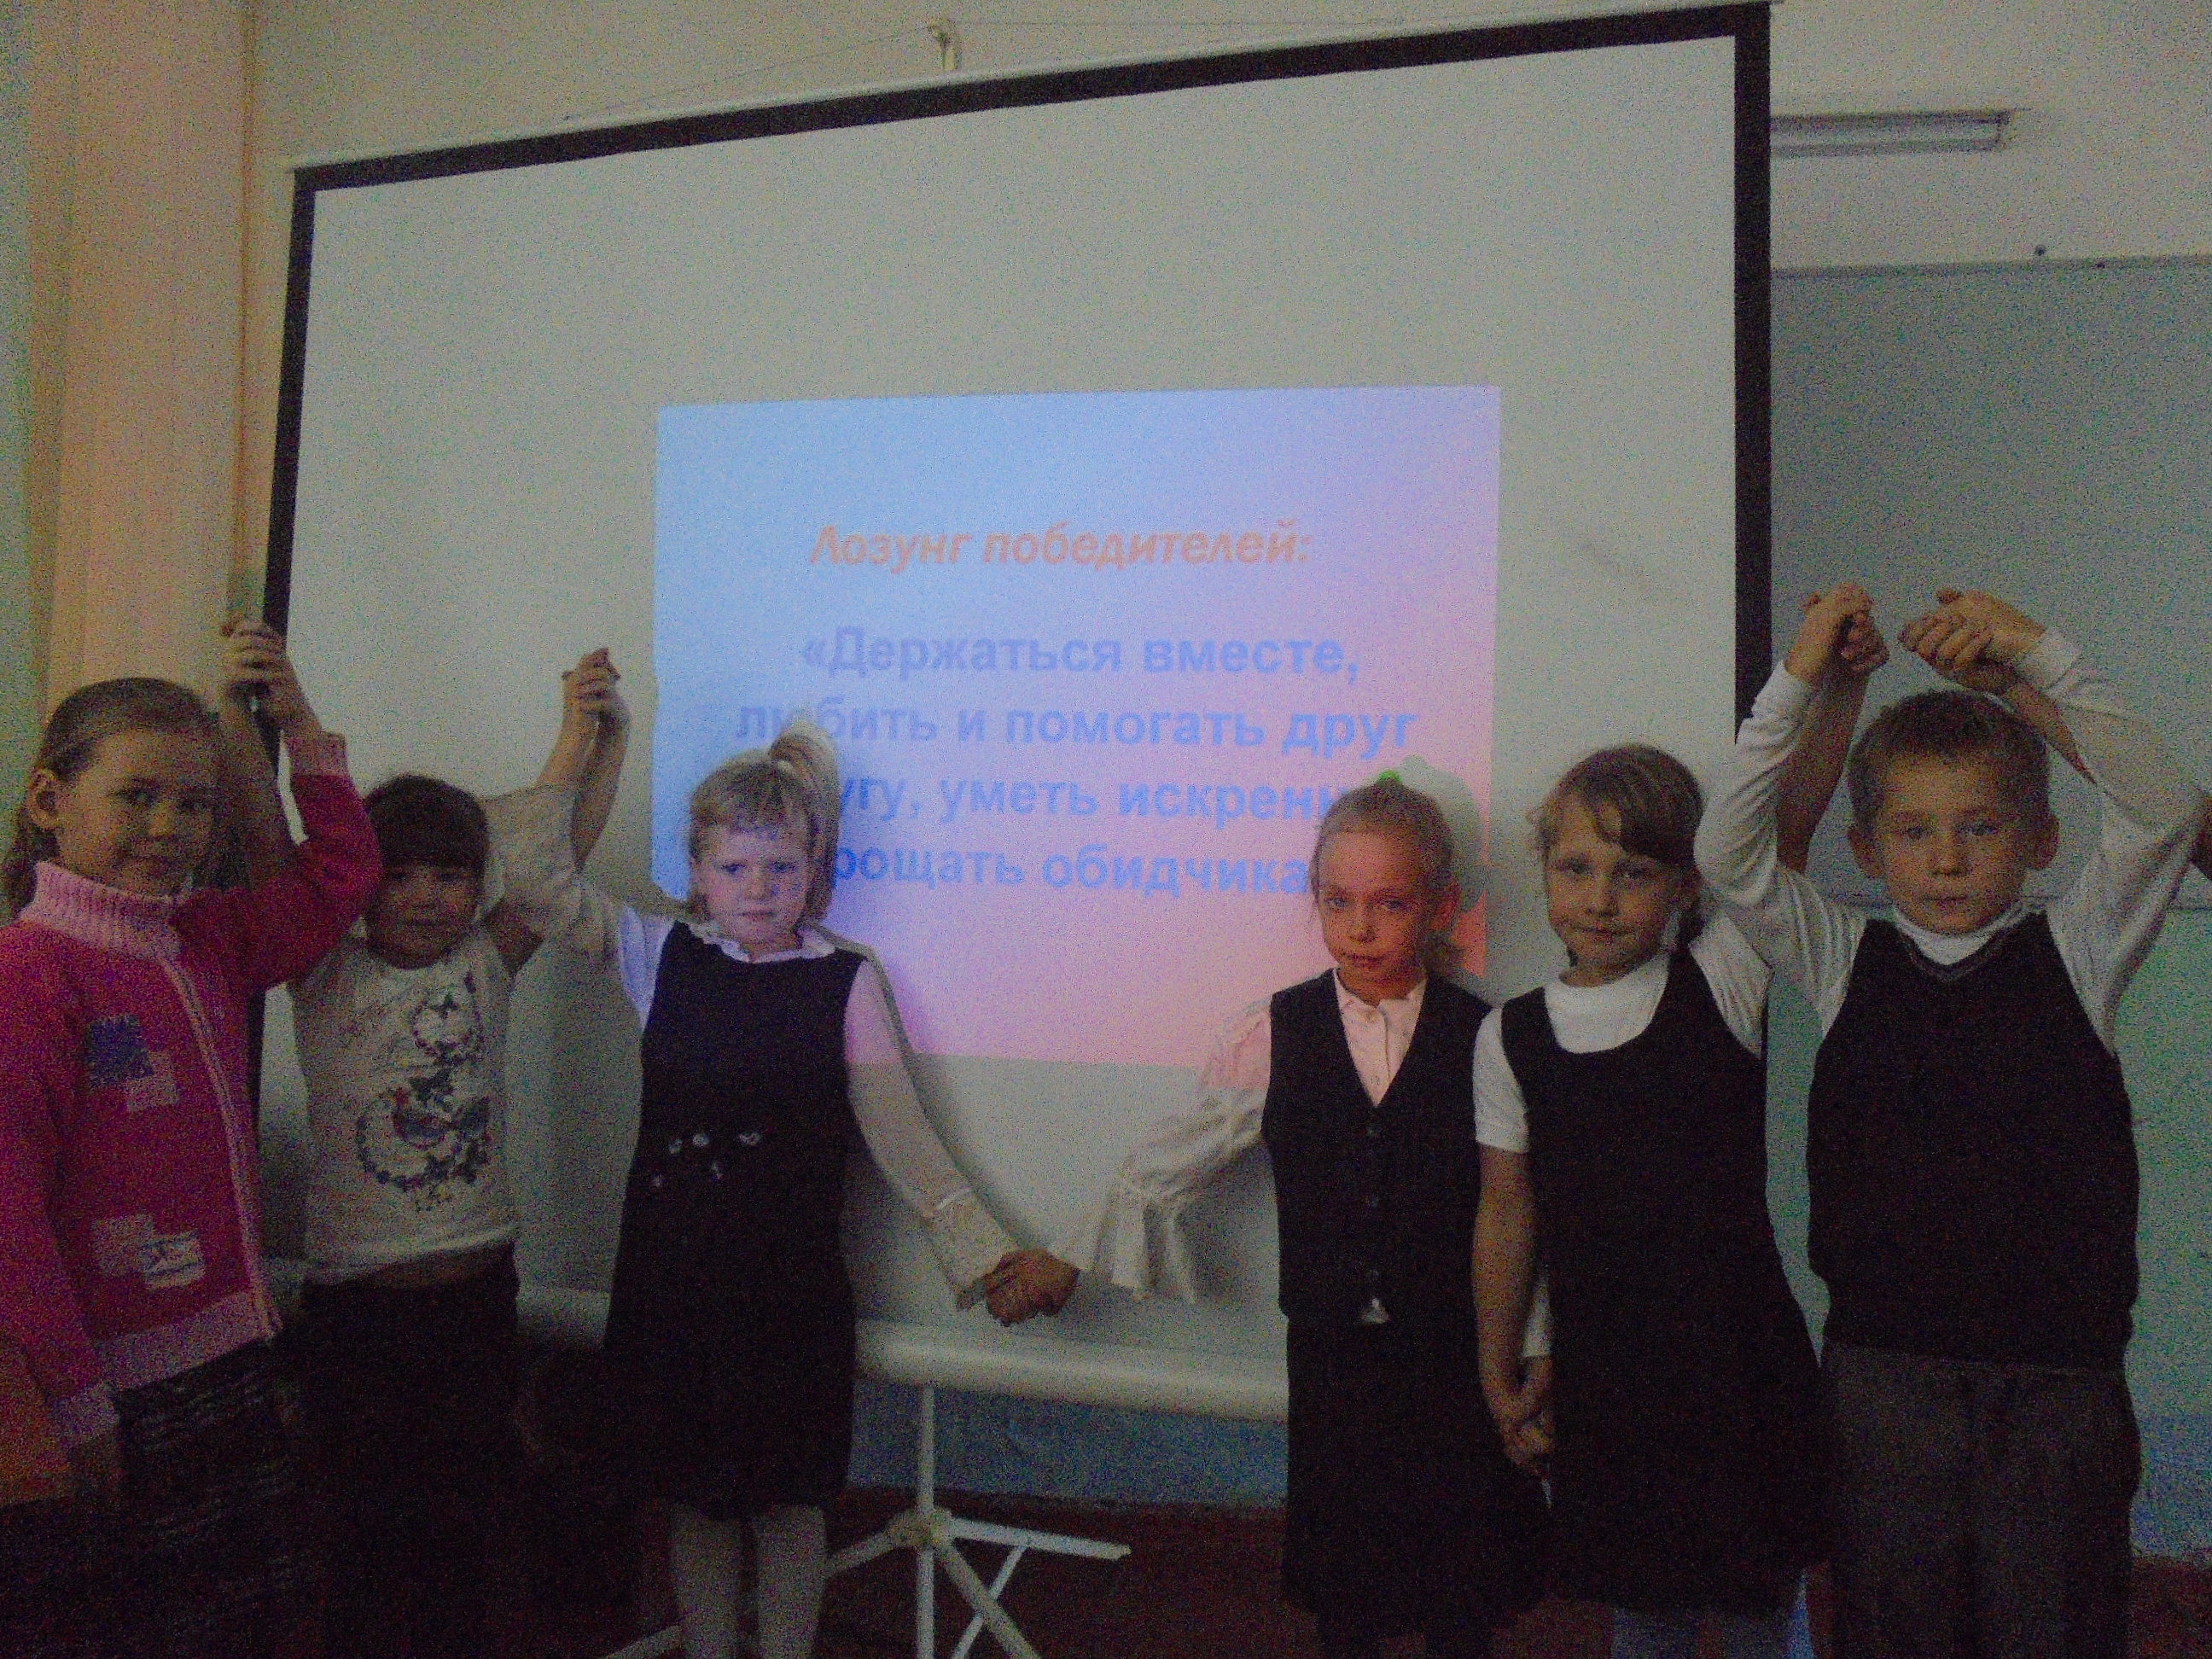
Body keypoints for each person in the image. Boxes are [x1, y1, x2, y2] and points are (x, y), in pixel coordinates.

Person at [1696, 585, 2204, 1659]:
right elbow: (1729, 854)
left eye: (1982, 827)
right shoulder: (1842, 960)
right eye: (1914, 831)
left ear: (2042, 839)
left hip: (2061, 1383)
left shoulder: (2081, 952)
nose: (1947, 859)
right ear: (1866, 847)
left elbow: (2163, 808)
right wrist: (1799, 675)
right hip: (1883, 1377)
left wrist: (2039, 651)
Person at [501, 719, 1076, 1659]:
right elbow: (534, 884)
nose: (758, 887)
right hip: (672, 1290)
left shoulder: (844, 981)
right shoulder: (658, 954)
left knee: (788, 1504)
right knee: (694, 1500)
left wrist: (989, 1253)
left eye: (780, 867)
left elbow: (904, 1140)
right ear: (698, 873)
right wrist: (581, 739)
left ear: (814, 871)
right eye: (734, 868)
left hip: (788, 1297)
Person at [1056, 776, 1543, 1659]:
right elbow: (1175, 1159)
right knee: (1347, 1584)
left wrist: (1530, 1345)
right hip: (1333, 1355)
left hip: (1453, 1353)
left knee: (1459, 1578)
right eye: (1338, 902)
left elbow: (1520, 1205)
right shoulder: (1276, 1032)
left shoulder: (1487, 1035)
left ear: (1440, 908)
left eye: (1390, 904)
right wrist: (1065, 1255)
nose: (1360, 928)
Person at [0, 626, 380, 1658]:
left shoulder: (205, 937)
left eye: (195, 804)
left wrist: (297, 720)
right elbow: (10, 1222)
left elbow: (341, 880)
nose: (169, 828)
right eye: (136, 796)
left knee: (247, 1625)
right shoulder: (30, 977)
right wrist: (79, 1407)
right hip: (115, 1393)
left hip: (231, 1362)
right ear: (49, 802)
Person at [1471, 694, 1870, 1659]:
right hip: (1609, 1377)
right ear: (1545, 872)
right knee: (1643, 1612)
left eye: (1634, 873)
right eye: (1576, 869)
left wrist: (1840, 690)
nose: (1600, 899)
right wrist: (1498, 1371)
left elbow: (1789, 831)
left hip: (1739, 1366)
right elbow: (1506, 1212)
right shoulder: (1510, 1037)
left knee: (1759, 1608)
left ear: (1686, 886)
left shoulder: (1720, 981)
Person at [274, 649, 628, 1659]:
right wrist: (286, 714)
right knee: (361, 1533)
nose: (428, 897)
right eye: (402, 876)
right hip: (359, 1307)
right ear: (361, 886)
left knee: (464, 1531)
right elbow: (267, 848)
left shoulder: (486, 959)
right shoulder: (323, 971)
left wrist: (586, 734)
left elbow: (557, 857)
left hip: (475, 1295)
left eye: (451, 875)